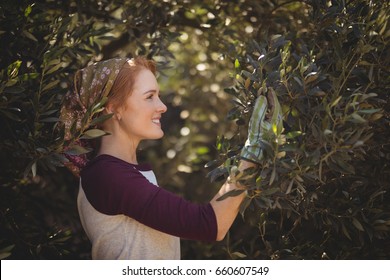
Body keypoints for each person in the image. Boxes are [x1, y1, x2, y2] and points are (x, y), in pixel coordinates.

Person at [60, 57, 282, 259]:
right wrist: (252, 153)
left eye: (158, 96)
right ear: (113, 108)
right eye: (149, 97)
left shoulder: (123, 172)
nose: (162, 106)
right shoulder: (108, 175)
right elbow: (211, 224)